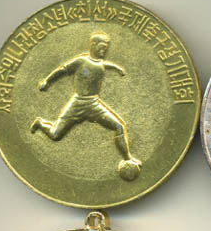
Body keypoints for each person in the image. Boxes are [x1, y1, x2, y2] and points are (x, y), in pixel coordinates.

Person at [29, 31, 141, 178]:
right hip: (78, 103)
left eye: (106, 48)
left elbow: (102, 65)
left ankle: (127, 158)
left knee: (119, 126)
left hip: (93, 104)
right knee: (55, 134)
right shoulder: (81, 61)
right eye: (101, 47)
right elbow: (62, 70)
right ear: (93, 45)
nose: (104, 51)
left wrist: (116, 68)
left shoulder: (100, 63)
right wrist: (47, 81)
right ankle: (40, 123)